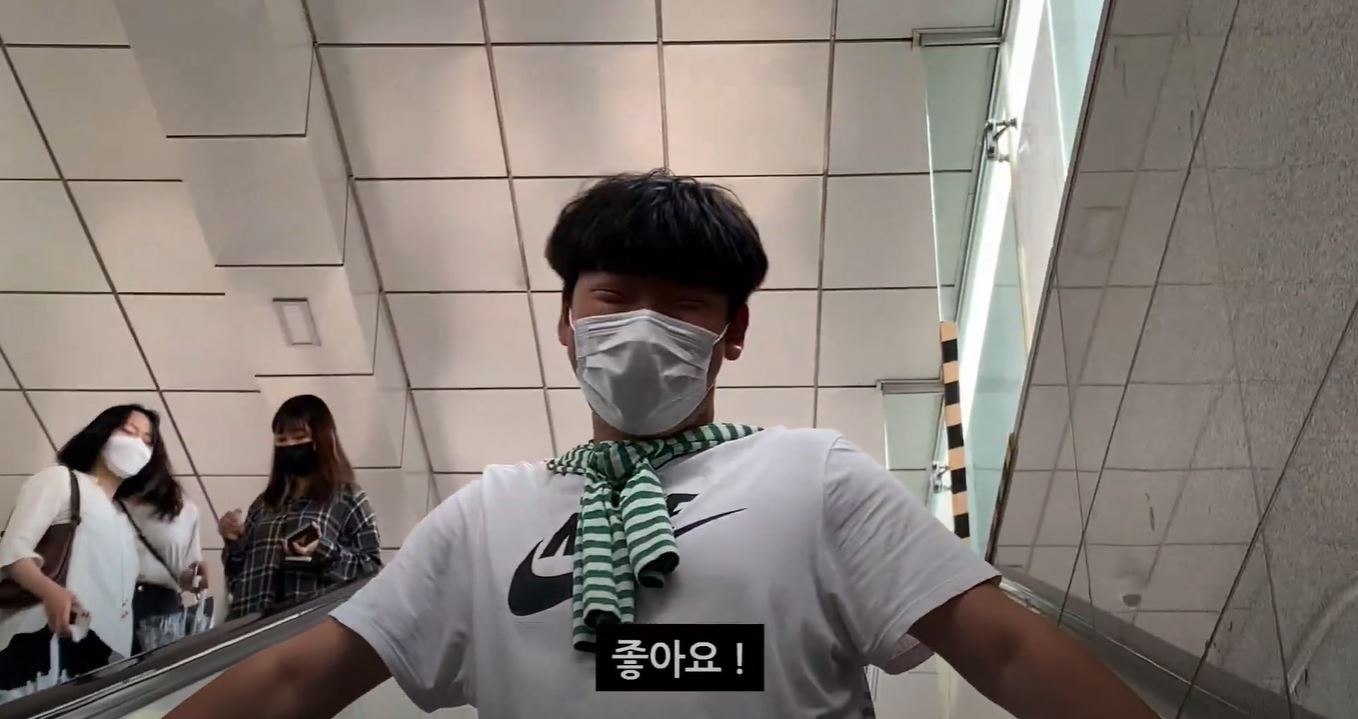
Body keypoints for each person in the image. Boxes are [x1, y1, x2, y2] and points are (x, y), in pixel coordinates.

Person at [168, 171, 1155, 718]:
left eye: (683, 303)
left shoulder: (814, 476)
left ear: (732, 331)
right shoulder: (483, 517)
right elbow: (299, 676)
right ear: (566, 322)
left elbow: (1007, 647)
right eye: (612, 296)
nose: (643, 325)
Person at [0, 405, 163, 692]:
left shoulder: (124, 520)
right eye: (128, 431)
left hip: (101, 656)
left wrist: (185, 576)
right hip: (43, 636)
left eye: (147, 441)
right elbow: (12, 551)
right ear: (101, 434)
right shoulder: (61, 480)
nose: (137, 444)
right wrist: (50, 591)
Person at [219, 394, 381, 619]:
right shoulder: (264, 504)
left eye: (298, 437)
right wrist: (234, 543)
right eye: (281, 439)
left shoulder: (347, 499)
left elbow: (372, 571)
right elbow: (237, 579)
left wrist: (322, 550)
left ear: (321, 440)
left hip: (307, 627)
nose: (289, 446)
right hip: (251, 627)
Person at [117, 465, 207, 654]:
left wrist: (197, 578)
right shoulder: (101, 498)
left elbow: (187, 573)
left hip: (159, 606)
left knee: (158, 669)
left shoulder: (182, 507)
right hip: (107, 599)